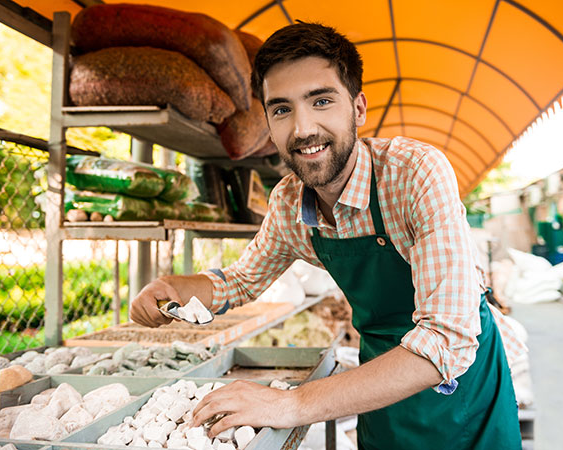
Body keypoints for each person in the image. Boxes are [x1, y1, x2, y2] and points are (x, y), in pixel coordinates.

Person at [131, 22, 525, 450]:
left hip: (461, 386)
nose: (303, 129)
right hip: (380, 381)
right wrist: (175, 288)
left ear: (358, 109)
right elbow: (240, 282)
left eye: (321, 101)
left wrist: (290, 404)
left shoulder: (415, 174)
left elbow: (445, 341)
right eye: (281, 109)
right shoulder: (287, 204)